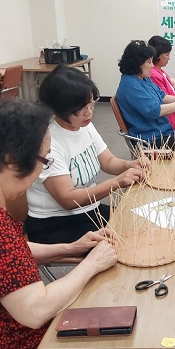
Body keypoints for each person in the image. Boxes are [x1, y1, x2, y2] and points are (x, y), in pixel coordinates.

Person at [0, 100, 120, 349]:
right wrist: (92, 264)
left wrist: (70, 248)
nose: (42, 171)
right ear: (12, 159)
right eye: (44, 160)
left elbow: (4, 254)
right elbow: (35, 311)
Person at [25, 65, 149, 245]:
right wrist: (117, 182)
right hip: (55, 223)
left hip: (89, 209)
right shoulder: (49, 141)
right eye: (81, 108)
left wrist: (129, 165)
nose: (89, 112)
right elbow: (68, 199)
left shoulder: (84, 125)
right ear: (60, 108)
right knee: (123, 244)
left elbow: (108, 161)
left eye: (91, 103)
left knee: (141, 223)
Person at [116, 39, 175, 147]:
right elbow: (155, 111)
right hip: (151, 139)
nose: (152, 65)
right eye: (149, 62)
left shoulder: (143, 78)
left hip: (162, 132)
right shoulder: (130, 85)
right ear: (137, 63)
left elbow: (163, 96)